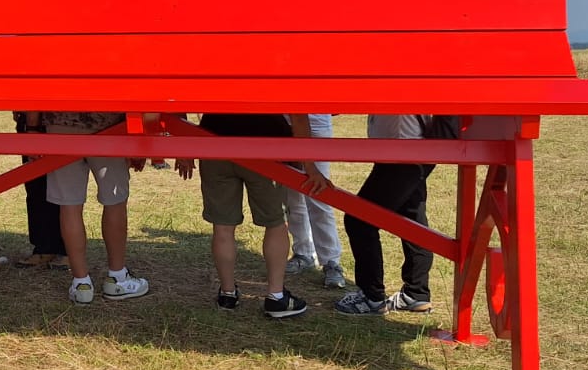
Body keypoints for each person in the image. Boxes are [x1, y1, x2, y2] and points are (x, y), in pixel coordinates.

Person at [184, 112, 329, 319]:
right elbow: (299, 117)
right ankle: (276, 296)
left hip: (215, 141)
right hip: (266, 144)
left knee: (223, 227)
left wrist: (184, 149)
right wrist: (310, 166)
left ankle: (227, 294)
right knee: (275, 224)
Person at [27, 110, 145, 304]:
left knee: (69, 204)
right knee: (114, 201)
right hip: (110, 122)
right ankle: (117, 277)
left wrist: (32, 128)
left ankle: (81, 283)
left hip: (60, 122)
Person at [335, 114, 436, 315]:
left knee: (359, 221)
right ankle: (416, 293)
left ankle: (371, 297)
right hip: (410, 149)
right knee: (413, 221)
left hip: (402, 151)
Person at [284, 112, 346, 288]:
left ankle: (331, 261)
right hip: (284, 126)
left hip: (316, 126)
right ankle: (303, 252)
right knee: (292, 197)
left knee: (318, 196)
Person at [14, 111, 67, 268]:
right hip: (39, 121)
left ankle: (62, 249)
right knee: (38, 188)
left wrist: (32, 127)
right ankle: (46, 247)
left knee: (57, 187)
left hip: (49, 122)